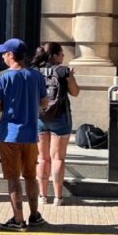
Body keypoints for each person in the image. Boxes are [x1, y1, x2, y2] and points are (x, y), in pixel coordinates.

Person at [0, 38, 48, 232]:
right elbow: (44, 102)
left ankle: (18, 219)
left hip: (10, 135)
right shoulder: (36, 76)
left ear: (11, 55)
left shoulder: (3, 78)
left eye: (4, 53)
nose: (2, 56)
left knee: (13, 178)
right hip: (31, 134)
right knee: (31, 176)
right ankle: (34, 215)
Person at [31, 43, 80, 207]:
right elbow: (75, 92)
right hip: (60, 117)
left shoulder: (35, 70)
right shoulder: (62, 71)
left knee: (42, 158)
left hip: (40, 117)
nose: (63, 57)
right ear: (55, 55)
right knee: (58, 158)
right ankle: (58, 198)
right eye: (62, 53)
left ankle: (42, 196)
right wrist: (70, 76)